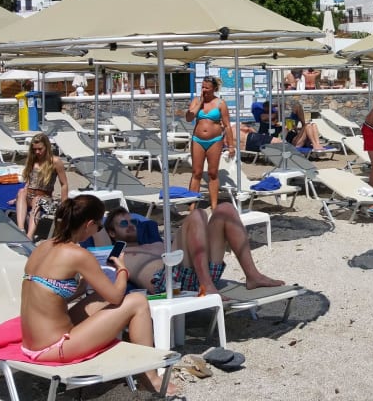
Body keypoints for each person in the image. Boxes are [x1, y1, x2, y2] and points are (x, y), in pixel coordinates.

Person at [20, 195, 170, 394]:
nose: (97, 230)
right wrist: (122, 269)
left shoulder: (43, 247)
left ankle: (143, 366)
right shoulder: (78, 254)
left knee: (97, 299)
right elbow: (117, 297)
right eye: (99, 227)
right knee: (137, 301)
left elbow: (50, 296)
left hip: (30, 342)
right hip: (54, 348)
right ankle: (150, 377)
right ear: (89, 224)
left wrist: (81, 289)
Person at [104, 204, 283, 297]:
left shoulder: (155, 242)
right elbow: (103, 254)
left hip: (194, 271)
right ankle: (207, 286)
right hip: (167, 284)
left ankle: (253, 276)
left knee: (225, 209)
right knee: (198, 214)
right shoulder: (119, 252)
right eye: (123, 224)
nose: (130, 226)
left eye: (133, 222)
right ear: (112, 232)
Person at [185, 76, 233, 210]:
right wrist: (200, 103)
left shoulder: (220, 103)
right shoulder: (196, 100)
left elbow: (227, 125)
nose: (204, 90)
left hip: (215, 140)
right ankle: (192, 205)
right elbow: (189, 118)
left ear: (214, 89)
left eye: (207, 87)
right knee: (196, 172)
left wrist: (231, 146)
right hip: (198, 140)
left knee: (213, 173)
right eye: (202, 87)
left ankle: (214, 205)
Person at [15, 132, 69, 239]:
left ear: (47, 147)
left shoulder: (55, 162)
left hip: (44, 198)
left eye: (40, 149)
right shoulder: (32, 159)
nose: (37, 152)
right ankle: (20, 230)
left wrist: (64, 205)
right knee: (21, 192)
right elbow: (29, 180)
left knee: (37, 199)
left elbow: (64, 184)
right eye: (34, 149)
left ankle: (30, 235)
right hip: (29, 195)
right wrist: (18, 197)